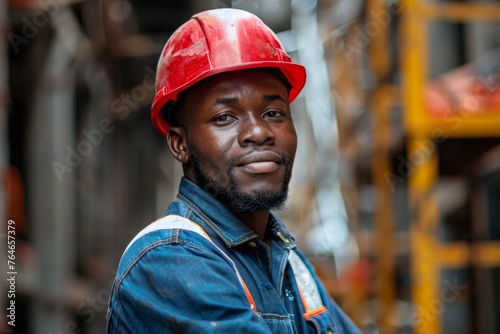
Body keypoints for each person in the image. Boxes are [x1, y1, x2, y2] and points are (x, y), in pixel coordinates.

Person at [106, 8, 361, 334]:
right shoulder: (170, 258)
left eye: (273, 112)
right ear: (179, 144)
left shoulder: (289, 263)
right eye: (225, 117)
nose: (258, 132)